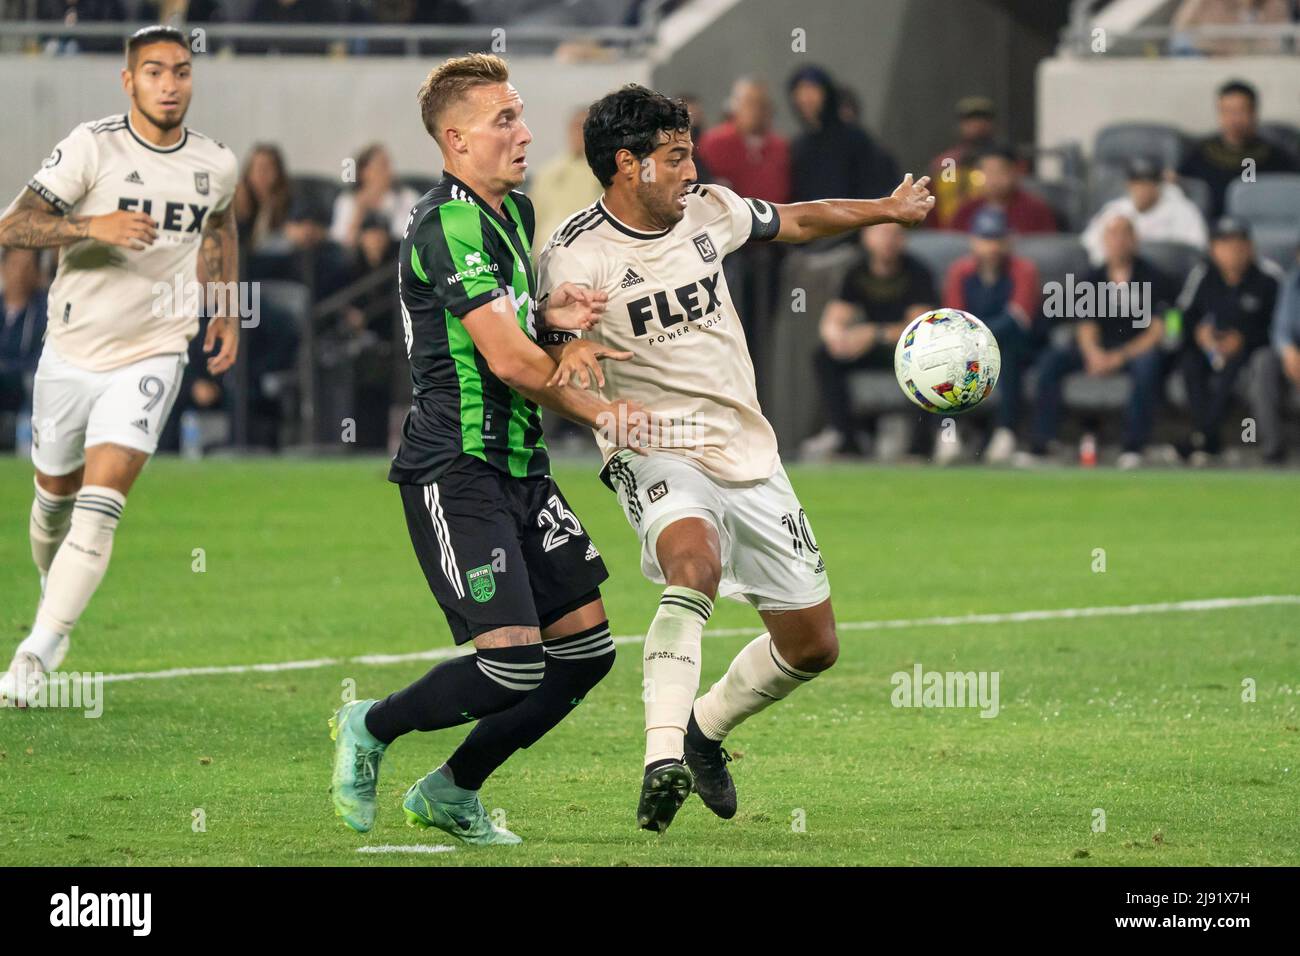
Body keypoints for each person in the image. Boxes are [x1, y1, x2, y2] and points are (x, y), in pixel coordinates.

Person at [536, 83, 934, 833]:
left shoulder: (709, 211)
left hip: (747, 447)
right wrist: (573, 350)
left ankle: (702, 730)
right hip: (654, 444)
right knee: (696, 567)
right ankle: (661, 759)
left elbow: (798, 219)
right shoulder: (575, 252)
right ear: (629, 165)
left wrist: (885, 208)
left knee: (813, 646)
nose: (692, 170)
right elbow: (553, 349)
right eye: (677, 157)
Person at [327, 54, 648, 847]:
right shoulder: (446, 222)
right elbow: (503, 361)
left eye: (521, 114)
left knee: (585, 654)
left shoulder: (513, 212)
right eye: (505, 119)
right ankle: (370, 722)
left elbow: (511, 329)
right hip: (455, 469)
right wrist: (601, 410)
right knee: (510, 666)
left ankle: (452, 791)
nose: (525, 132)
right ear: (456, 138)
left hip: (522, 468)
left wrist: (551, 311)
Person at [0, 25, 240, 706]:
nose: (171, 85)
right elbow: (11, 227)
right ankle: (56, 598)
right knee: (53, 503)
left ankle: (35, 651)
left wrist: (222, 307)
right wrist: (88, 227)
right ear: (129, 81)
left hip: (155, 349)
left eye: (182, 71)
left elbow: (220, 224)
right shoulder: (90, 146)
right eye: (156, 72)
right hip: (72, 351)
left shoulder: (215, 163)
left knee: (100, 509)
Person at [1022, 216, 1173, 469]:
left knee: (1149, 364)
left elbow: (1157, 331)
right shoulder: (1092, 278)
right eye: (1112, 235)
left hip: (1134, 350)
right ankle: (1043, 442)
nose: (1118, 241)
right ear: (1104, 241)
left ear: (1135, 240)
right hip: (1099, 349)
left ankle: (1134, 446)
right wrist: (1093, 353)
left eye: (1124, 234)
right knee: (1051, 360)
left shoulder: (1155, 278)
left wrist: (1120, 357)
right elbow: (1085, 323)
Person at [804, 222, 937, 460]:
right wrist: (838, 339)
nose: (888, 240)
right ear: (867, 238)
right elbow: (832, 320)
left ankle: (920, 448)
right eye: (882, 233)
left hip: (903, 349)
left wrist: (873, 334)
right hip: (870, 348)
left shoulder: (918, 272)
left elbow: (920, 329)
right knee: (824, 356)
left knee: (923, 358)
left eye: (895, 234)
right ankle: (847, 441)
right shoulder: (856, 272)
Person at [1177, 216, 1284, 464]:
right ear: (1213, 249)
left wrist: (1244, 339)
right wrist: (1198, 334)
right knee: (1189, 362)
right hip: (1209, 347)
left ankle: (1204, 437)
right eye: (1224, 245)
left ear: (1250, 247)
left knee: (1234, 364)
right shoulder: (1203, 274)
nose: (1231, 252)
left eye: (1238, 244)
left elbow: (1279, 326)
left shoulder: (1268, 278)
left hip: (1251, 351)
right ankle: (1206, 436)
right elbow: (1182, 314)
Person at [942, 207, 1042, 463]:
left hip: (1016, 344)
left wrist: (979, 340)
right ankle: (948, 435)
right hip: (969, 345)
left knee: (1005, 353)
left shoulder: (1023, 269)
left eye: (997, 240)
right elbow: (955, 316)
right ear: (973, 241)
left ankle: (1005, 433)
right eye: (986, 240)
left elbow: (1018, 316)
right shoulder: (959, 271)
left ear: (1008, 241)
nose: (992, 248)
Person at [1179, 80, 1298, 221]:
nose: (1234, 119)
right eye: (1227, 111)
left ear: (1254, 112)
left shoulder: (1276, 157)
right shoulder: (1200, 154)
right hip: (1214, 231)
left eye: (1241, 111)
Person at [786, 65, 899, 203]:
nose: (806, 99)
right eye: (800, 93)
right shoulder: (799, 146)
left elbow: (878, 181)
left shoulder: (854, 138)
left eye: (812, 90)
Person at [1081, 157, 1207, 266]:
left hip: (1166, 281)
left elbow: (1196, 251)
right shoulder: (1115, 209)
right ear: (1128, 185)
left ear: (1158, 185)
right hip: (1121, 279)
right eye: (1136, 183)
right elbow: (1088, 243)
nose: (1141, 190)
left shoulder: (1183, 210)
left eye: (1146, 183)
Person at [1249, 243, 1300, 463]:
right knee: (1263, 361)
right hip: (1295, 353)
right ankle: (1273, 446)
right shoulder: (1291, 283)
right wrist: (1289, 351)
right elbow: (1280, 327)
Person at [528, 107, 603, 255]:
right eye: (575, 128)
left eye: (584, 127)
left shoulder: (604, 172)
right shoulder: (548, 173)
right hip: (547, 258)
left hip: (592, 255)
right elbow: (533, 219)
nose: (579, 134)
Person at [328, 143, 419, 253]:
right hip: (356, 255)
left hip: (394, 253)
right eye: (380, 166)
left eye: (388, 165)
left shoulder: (406, 197)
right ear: (363, 172)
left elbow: (408, 234)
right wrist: (360, 210)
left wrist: (380, 239)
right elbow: (339, 238)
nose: (387, 172)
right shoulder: (347, 199)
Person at [949, 146, 1059, 235]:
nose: (993, 178)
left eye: (999, 171)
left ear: (1015, 172)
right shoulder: (966, 210)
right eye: (986, 171)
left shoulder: (1035, 210)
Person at [928, 96, 999, 229]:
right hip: (954, 229)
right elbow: (944, 204)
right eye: (971, 120)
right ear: (961, 125)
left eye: (983, 119)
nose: (977, 125)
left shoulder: (1005, 161)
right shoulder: (948, 162)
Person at [0, 249, 48, 420]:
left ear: (37, 272)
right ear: (2, 268)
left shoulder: (46, 310)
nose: (20, 274)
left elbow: (41, 359)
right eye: (14, 265)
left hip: (26, 387)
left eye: (27, 267)